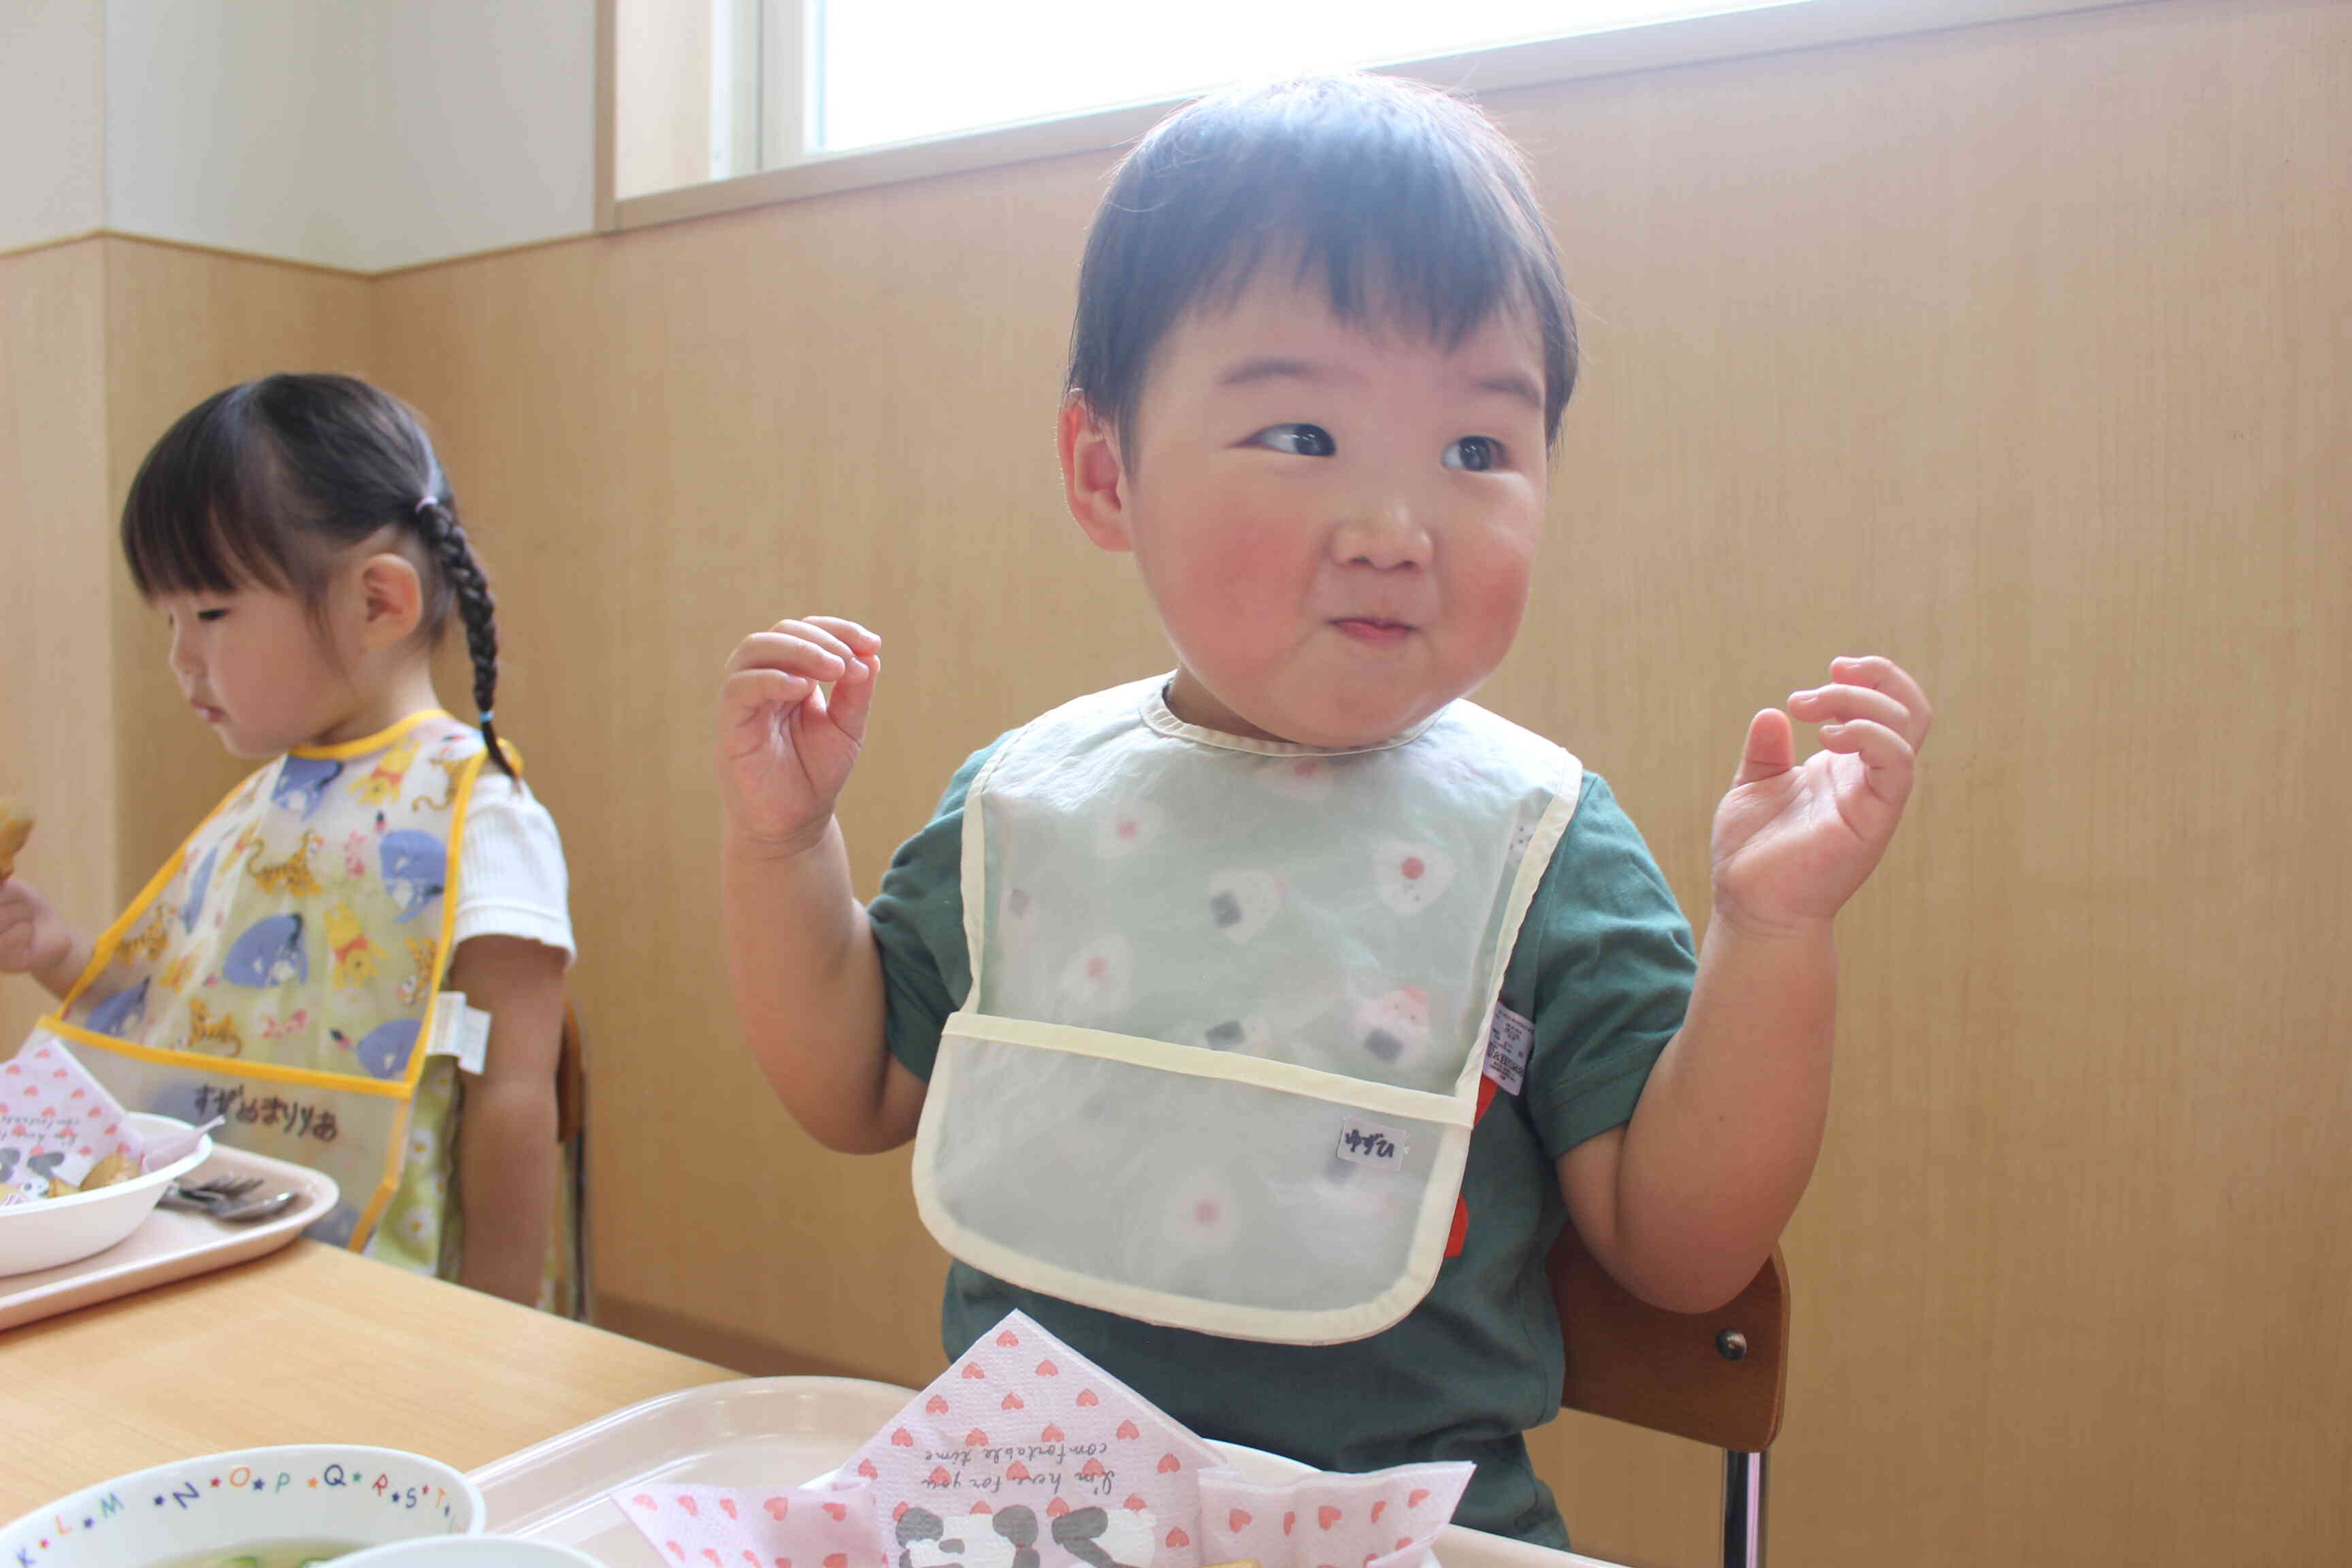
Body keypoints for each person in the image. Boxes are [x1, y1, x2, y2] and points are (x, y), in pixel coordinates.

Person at [717, 75, 1930, 1546]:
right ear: (1106, 471)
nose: (1394, 531)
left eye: (1477, 450)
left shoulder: (1540, 844)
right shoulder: (1032, 799)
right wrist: (784, 847)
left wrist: (1774, 931)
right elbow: (853, 1090)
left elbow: (1681, 1256)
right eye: (1303, 437)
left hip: (1405, 1534)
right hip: (1037, 1522)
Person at [0, 373, 581, 1313]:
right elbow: (177, 1020)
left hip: (377, 1298)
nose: (182, 657)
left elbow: (516, 1096)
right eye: (170, 621)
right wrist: (57, 952)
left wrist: (501, 1327)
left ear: (378, 603)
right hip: (208, 1265)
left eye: (213, 614)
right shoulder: (263, 806)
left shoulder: (479, 814)